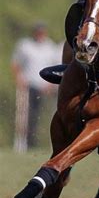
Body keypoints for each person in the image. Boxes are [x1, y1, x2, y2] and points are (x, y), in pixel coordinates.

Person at [11, 23, 62, 152]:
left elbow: (56, 67)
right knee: (24, 115)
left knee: (44, 116)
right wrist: (19, 79)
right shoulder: (25, 45)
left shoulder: (50, 47)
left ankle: (43, 143)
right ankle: (21, 143)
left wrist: (51, 84)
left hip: (44, 87)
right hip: (28, 85)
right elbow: (16, 63)